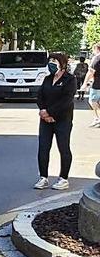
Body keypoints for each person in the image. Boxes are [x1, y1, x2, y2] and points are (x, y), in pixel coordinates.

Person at [33, 52, 77, 191]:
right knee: (43, 148)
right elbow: (40, 96)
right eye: (50, 61)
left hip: (62, 119)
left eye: (54, 61)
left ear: (62, 64)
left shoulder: (70, 80)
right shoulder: (47, 79)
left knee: (63, 148)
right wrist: (43, 111)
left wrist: (51, 113)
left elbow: (66, 100)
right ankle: (43, 177)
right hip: (45, 120)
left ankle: (63, 178)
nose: (51, 63)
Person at [83, 43, 100, 126]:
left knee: (92, 101)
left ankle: (97, 118)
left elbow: (90, 72)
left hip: (97, 84)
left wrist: (85, 84)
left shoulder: (96, 58)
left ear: (97, 49)